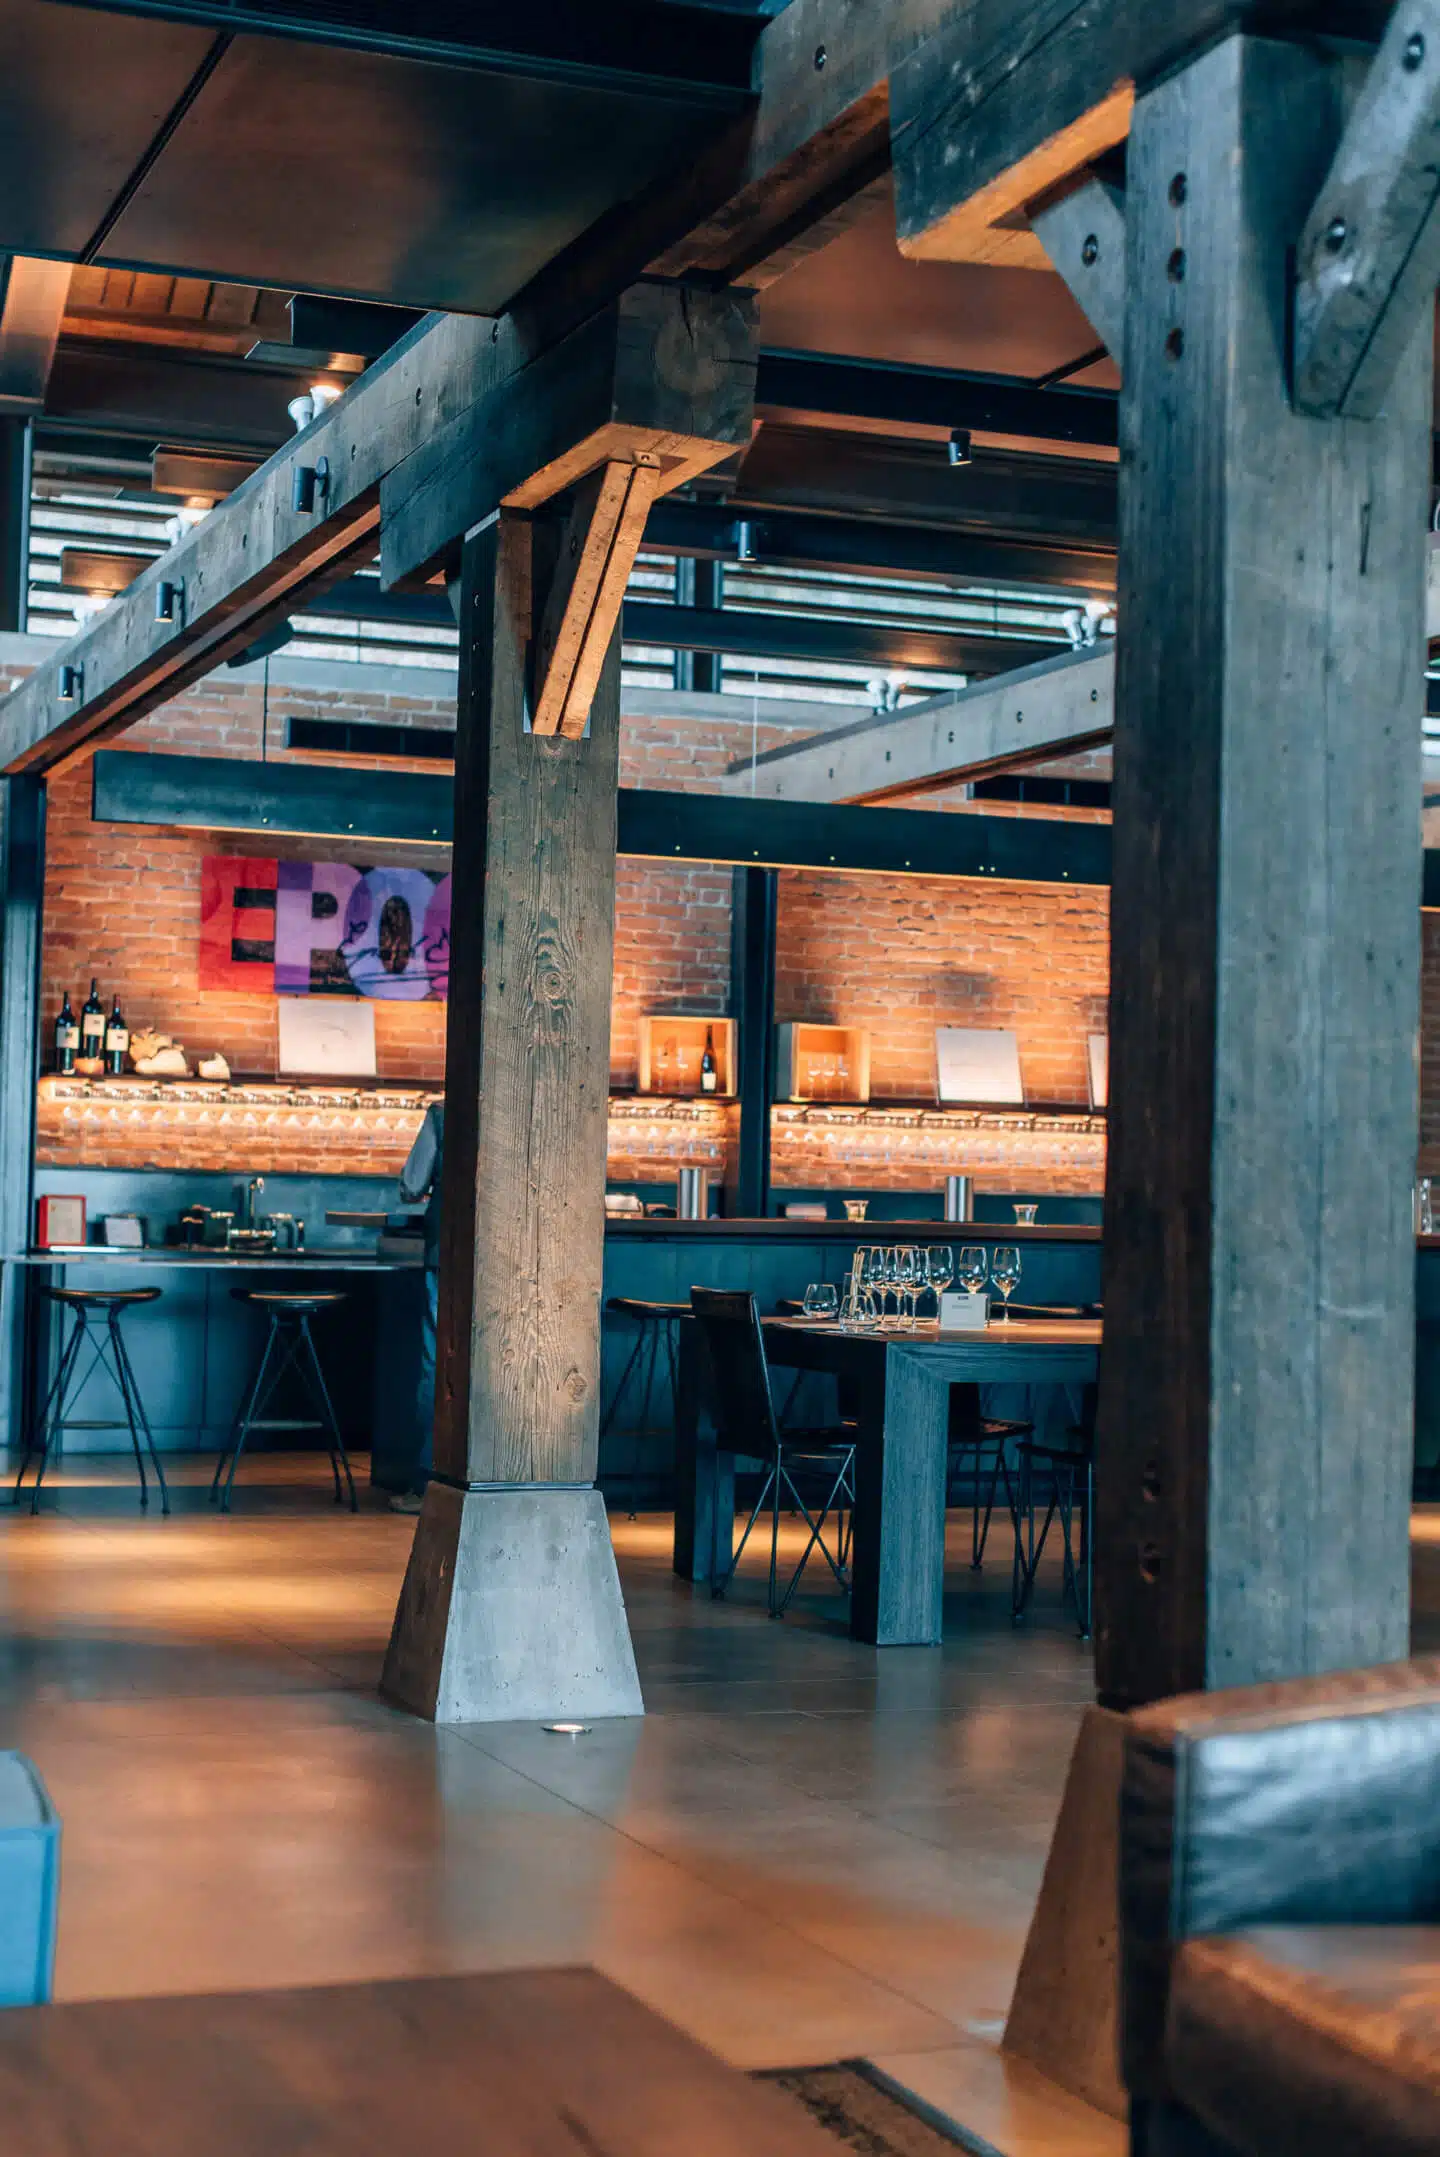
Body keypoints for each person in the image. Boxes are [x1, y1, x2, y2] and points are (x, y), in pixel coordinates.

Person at [392, 1098, 443, 1514]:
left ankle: (427, 1485)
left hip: (449, 1252)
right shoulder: (527, 1104)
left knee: (439, 1364)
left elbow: (411, 1185)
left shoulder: (444, 1113)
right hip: (513, 1257)